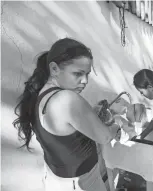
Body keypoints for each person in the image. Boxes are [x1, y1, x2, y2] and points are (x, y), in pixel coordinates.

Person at [13, 38, 120, 191]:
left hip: (55, 180)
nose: (85, 81)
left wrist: (92, 116)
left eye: (87, 74)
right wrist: (116, 125)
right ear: (54, 69)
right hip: (81, 182)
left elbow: (67, 128)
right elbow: (105, 137)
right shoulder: (67, 99)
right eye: (78, 73)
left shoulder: (42, 94)